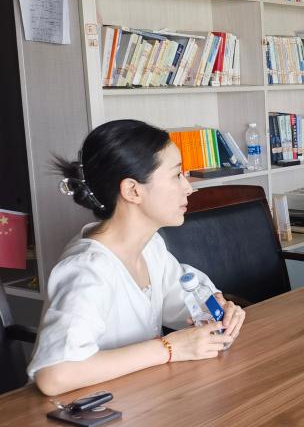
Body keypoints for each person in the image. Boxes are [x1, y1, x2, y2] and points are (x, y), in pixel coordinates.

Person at [27, 120, 246, 396]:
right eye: (177, 175)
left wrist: (217, 311)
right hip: (88, 414)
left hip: (141, 400)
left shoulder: (150, 247)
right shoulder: (87, 269)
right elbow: (55, 375)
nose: (188, 188)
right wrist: (170, 348)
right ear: (132, 190)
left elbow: (183, 302)